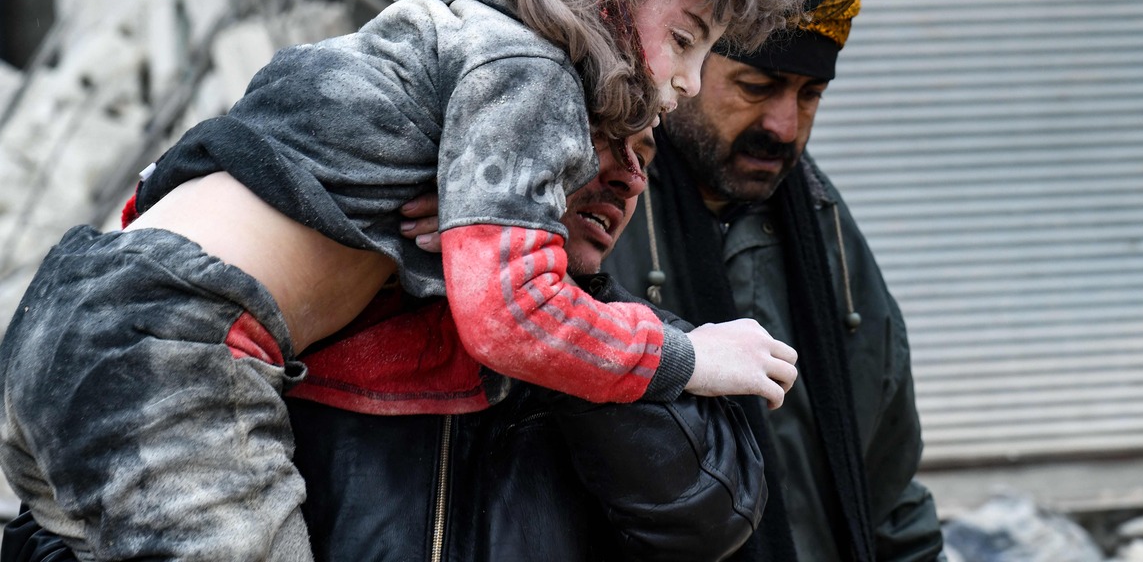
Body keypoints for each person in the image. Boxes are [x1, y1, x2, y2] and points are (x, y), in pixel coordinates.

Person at [0, 0, 802, 562]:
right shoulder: (528, 65)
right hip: (177, 348)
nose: (686, 83)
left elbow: (216, 159)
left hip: (67, 314)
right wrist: (689, 356)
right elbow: (514, 317)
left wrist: (435, 243)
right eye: (687, 41)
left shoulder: (422, 40)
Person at [3, 128, 775, 562]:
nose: (627, 178)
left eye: (645, 155)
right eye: (601, 139)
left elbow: (709, 516)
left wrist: (562, 320)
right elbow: (70, 519)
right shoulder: (303, 303)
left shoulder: (641, 337)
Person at [603, 0, 947, 561]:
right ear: (683, 64)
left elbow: (888, 493)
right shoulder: (592, 219)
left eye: (810, 95)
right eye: (758, 86)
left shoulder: (824, 229)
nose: (785, 126)